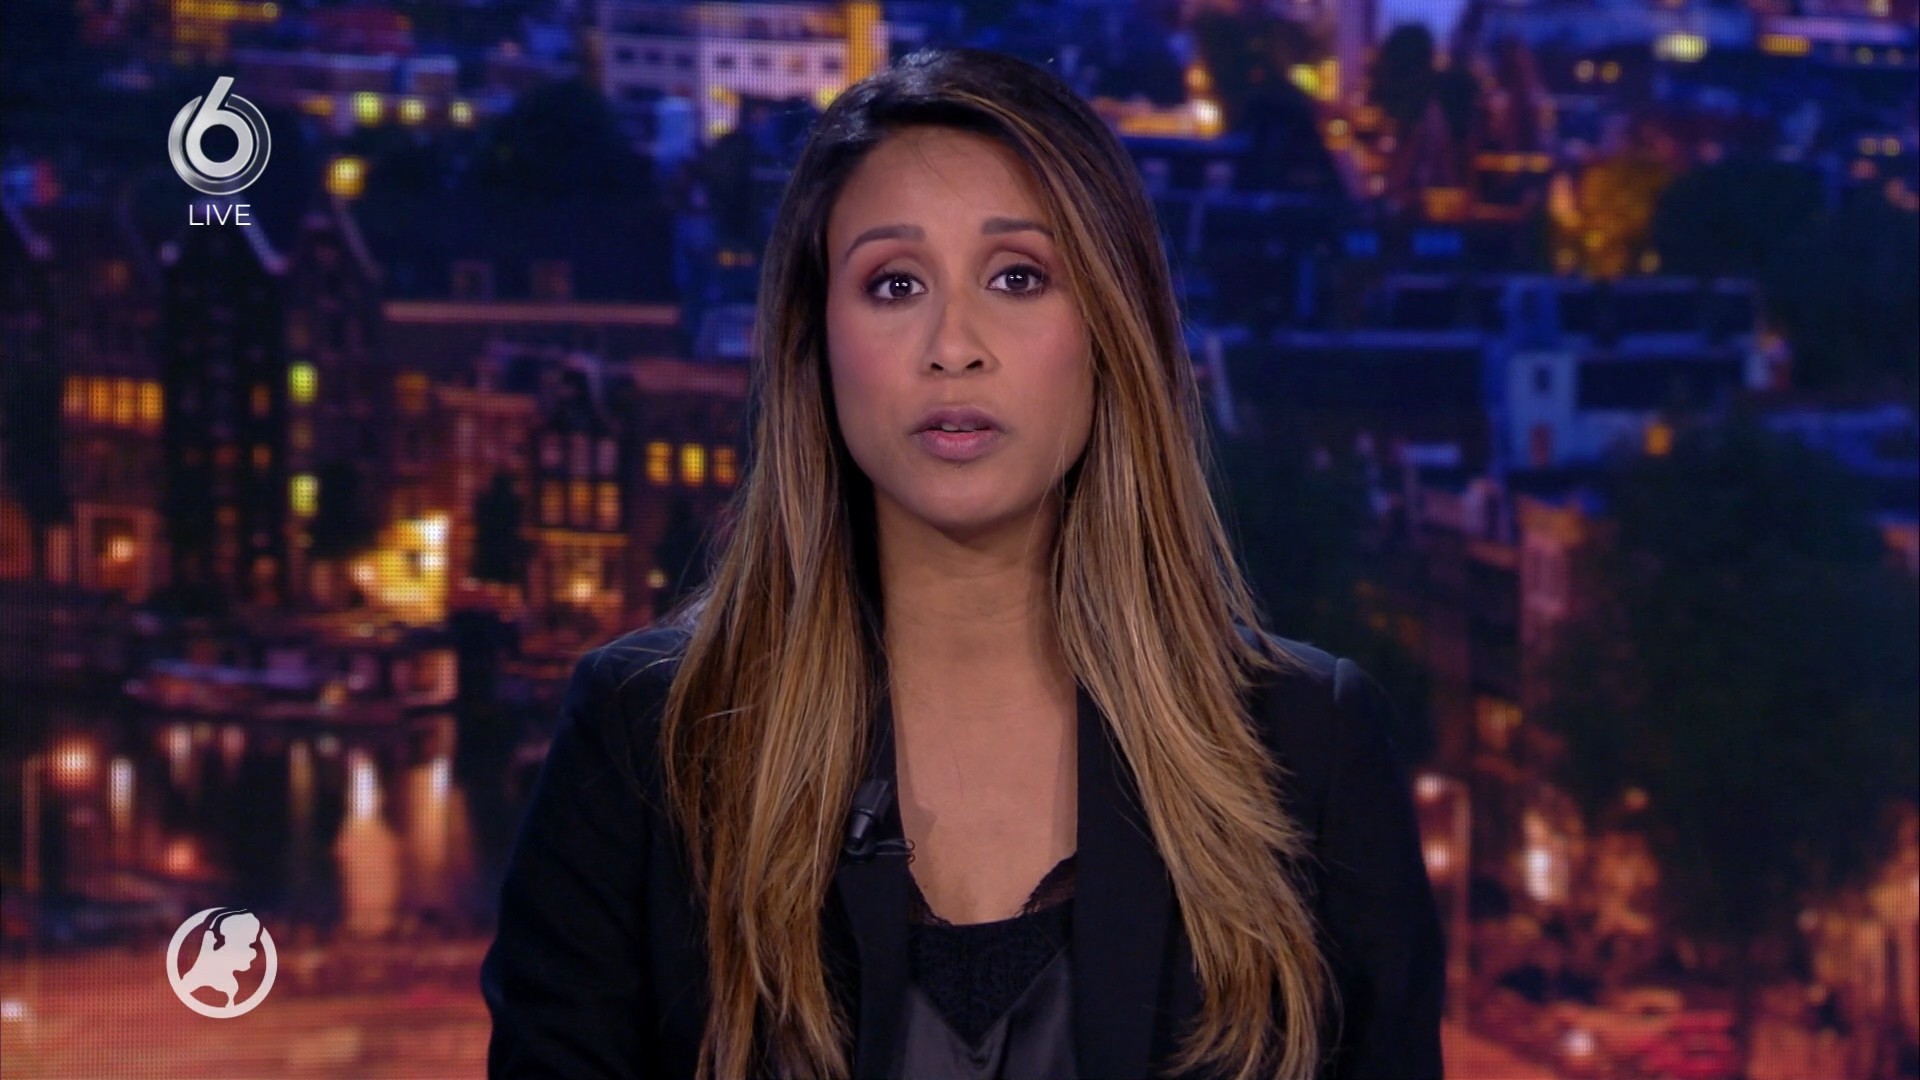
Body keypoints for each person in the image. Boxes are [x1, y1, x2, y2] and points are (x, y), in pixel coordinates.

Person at [481, 46, 1444, 1080]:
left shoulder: (1310, 753)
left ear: (1109, 329)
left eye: (1018, 277)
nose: (953, 344)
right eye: (894, 284)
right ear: (816, 342)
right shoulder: (647, 746)